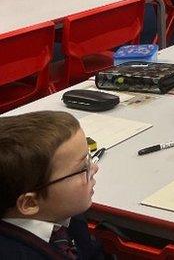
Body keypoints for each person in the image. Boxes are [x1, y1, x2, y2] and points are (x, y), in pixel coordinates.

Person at [0, 111, 103, 259]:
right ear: (30, 203)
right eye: (82, 168)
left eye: (89, 158)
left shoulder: (65, 213)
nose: (94, 168)